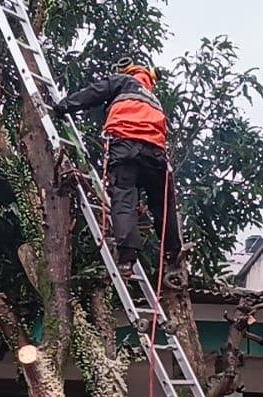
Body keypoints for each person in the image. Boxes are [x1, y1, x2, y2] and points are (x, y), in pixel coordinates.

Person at [52, 59, 180, 270]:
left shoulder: (124, 81)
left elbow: (94, 93)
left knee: (124, 196)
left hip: (126, 146)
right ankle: (172, 253)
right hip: (156, 155)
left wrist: (63, 106)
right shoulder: (152, 98)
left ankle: (127, 257)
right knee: (163, 205)